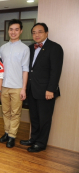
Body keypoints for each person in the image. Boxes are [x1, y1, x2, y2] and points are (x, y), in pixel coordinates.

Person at [20, 23, 63, 152]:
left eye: (39, 32)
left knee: (44, 118)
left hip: (46, 91)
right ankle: (33, 139)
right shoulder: (30, 48)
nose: (36, 35)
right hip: (32, 89)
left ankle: (41, 143)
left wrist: (51, 89)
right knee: (34, 117)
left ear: (46, 33)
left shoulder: (55, 48)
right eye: (34, 32)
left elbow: (56, 71)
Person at [0, 19, 30, 148]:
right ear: (8, 31)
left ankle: (12, 136)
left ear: (21, 31)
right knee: (5, 111)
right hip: (4, 85)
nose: (13, 32)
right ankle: (6, 132)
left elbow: (25, 69)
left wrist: (24, 89)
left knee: (15, 113)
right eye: (11, 29)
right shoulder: (3, 48)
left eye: (16, 29)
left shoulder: (25, 48)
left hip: (17, 87)